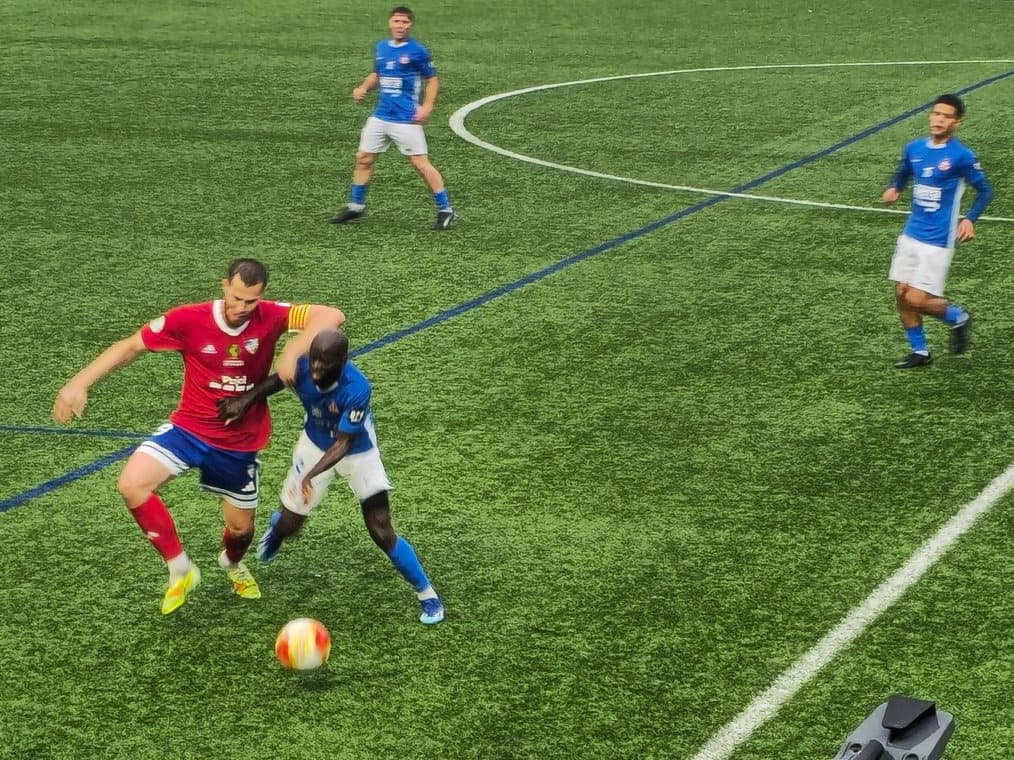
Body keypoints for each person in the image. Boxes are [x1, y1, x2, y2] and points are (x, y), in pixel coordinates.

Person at [51, 259, 346, 615]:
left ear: (261, 296)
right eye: (236, 298)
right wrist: (78, 383)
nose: (241, 309)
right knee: (131, 484)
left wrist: (291, 350)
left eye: (250, 301)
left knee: (241, 532)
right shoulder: (188, 319)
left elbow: (332, 314)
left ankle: (232, 563)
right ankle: (180, 568)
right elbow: (130, 346)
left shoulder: (272, 315)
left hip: (238, 444)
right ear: (224, 286)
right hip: (187, 429)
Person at [217, 328, 445, 625]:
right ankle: (277, 532)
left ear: (342, 361)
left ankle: (427, 594)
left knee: (380, 527)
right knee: (290, 523)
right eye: (313, 360)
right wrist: (245, 401)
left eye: (323, 364)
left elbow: (343, 443)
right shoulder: (302, 368)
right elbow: (277, 381)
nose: (315, 369)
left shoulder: (357, 388)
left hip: (356, 450)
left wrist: (310, 476)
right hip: (313, 445)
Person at [882, 93, 993, 368]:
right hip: (911, 233)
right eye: (936, 114)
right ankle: (920, 352)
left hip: (937, 239)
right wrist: (895, 187)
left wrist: (970, 218)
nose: (939, 119)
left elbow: (985, 191)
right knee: (901, 293)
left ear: (957, 122)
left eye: (946, 116)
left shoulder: (961, 156)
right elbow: (904, 171)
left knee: (917, 298)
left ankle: (957, 316)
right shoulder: (914, 148)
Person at [329, 6, 457, 231]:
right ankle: (356, 206)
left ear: (410, 25)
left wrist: (426, 107)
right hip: (380, 116)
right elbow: (377, 74)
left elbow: (432, 80)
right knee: (363, 158)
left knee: (420, 164)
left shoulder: (418, 51)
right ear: (390, 23)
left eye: (405, 22)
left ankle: (446, 210)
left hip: (405, 119)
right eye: (397, 21)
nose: (400, 26)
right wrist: (363, 87)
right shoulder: (381, 47)